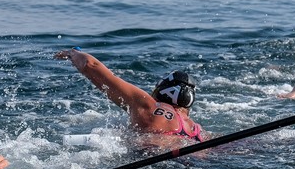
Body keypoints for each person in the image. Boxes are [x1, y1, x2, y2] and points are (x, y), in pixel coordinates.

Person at [54, 48, 208, 144]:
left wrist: (72, 53)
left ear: (161, 90)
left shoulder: (148, 106)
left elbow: (90, 65)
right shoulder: (199, 132)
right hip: (190, 166)